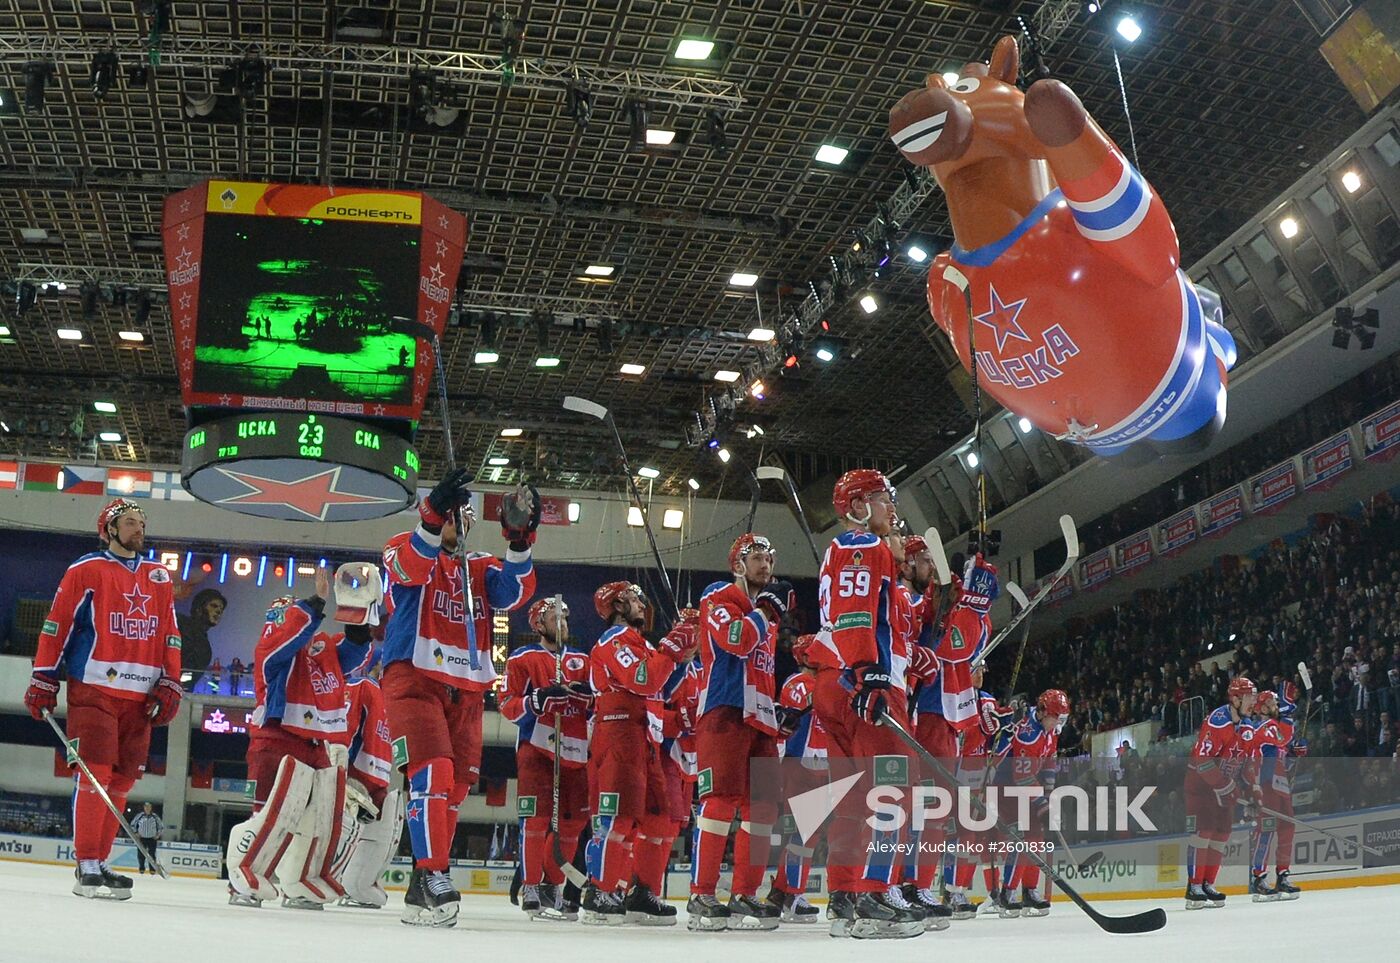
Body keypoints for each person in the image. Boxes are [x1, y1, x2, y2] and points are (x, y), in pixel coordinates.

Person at [380, 471, 540, 927]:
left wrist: (519, 537)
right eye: (447, 515)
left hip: (466, 686)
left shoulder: (481, 566)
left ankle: (419, 884)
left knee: (454, 789)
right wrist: (431, 517)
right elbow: (408, 567)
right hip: (414, 676)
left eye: (458, 516)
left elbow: (514, 593)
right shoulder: (403, 545)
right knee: (433, 773)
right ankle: (434, 873)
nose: (455, 522)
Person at [24, 498, 182, 899]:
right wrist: (44, 677)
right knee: (94, 774)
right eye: (130, 523)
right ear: (109, 529)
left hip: (141, 695)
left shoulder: (159, 576)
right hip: (94, 688)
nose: (138, 530)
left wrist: (170, 682)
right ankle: (86, 862)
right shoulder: (86, 570)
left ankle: (102, 860)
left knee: (124, 781)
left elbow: (170, 634)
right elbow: (57, 625)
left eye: (141, 523)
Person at [808, 469, 924, 939]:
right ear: (857, 507)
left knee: (854, 799)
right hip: (862, 681)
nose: (891, 508)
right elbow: (856, 614)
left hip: (840, 683)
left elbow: (877, 618)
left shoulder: (870, 554)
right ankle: (875, 892)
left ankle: (844, 897)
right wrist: (868, 672)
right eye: (881, 498)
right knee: (893, 788)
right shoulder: (861, 545)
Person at [224, 563, 376, 909]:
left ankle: (299, 880)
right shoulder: (271, 650)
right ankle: (243, 877)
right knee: (269, 814)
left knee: (320, 818)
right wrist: (315, 604)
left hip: (316, 742)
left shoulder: (321, 648)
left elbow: (351, 655)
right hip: (275, 738)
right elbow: (284, 642)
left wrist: (358, 617)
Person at [685, 534, 789, 931]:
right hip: (723, 711)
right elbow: (737, 642)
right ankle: (702, 894)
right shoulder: (718, 597)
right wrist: (763, 612)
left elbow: (761, 665)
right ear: (738, 565)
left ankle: (745, 894)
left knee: (762, 811)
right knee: (719, 802)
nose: (766, 564)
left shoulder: (767, 613)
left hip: (761, 718)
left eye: (769, 556)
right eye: (757, 557)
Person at [581, 581, 695, 925]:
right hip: (618, 732)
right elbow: (643, 678)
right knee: (618, 817)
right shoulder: (613, 640)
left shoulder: (639, 643)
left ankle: (641, 891)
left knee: (659, 820)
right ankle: (599, 890)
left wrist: (686, 648)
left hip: (645, 736)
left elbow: (661, 684)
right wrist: (672, 648)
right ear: (616, 604)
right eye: (632, 598)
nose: (641, 602)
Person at [499, 596, 592, 921]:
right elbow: (507, 703)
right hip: (537, 749)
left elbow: (599, 700)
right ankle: (531, 886)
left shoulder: (583, 660)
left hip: (577, 752)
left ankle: (554, 885)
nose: (562, 624)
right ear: (539, 625)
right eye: (555, 618)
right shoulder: (523, 658)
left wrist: (589, 699)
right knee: (535, 821)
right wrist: (536, 700)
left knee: (572, 826)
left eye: (565, 619)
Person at [1184, 676, 1260, 909]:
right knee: (1203, 831)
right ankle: (1194, 886)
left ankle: (1208, 884)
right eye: (1249, 697)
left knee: (1221, 834)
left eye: (1255, 697)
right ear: (1235, 698)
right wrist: (1224, 786)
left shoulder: (1247, 726)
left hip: (1224, 786)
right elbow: (1203, 761)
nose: (1253, 703)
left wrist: (1253, 789)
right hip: (1201, 785)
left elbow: (1246, 763)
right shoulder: (1218, 721)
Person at [992, 687, 1069, 917]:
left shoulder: (1052, 729)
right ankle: (1007, 893)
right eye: (1056, 718)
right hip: (1008, 788)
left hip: (1027, 785)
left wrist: (1048, 797)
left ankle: (1029, 891)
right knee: (1023, 838)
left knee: (1036, 837)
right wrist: (1042, 805)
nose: (1058, 724)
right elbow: (1021, 776)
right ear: (1044, 712)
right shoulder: (1028, 733)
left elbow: (1049, 762)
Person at [766, 633, 826, 923]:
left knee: (806, 833)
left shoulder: (818, 682)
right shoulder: (798, 683)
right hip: (799, 763)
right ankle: (792, 893)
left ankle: (781, 891)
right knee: (802, 832)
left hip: (816, 764)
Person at [1247, 687, 1304, 901]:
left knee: (1287, 828)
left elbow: (1282, 751)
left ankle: (1283, 875)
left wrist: (1293, 753)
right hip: (1266, 784)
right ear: (1261, 707)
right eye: (1272, 703)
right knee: (1266, 830)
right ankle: (1259, 877)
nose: (1275, 706)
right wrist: (1288, 717)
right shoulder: (1262, 726)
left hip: (1280, 785)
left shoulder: (1273, 726)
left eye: (1276, 703)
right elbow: (1279, 741)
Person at [176, 588, 226, 682]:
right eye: (214, 606)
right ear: (198, 609)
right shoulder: (178, 623)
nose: (219, 611)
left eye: (221, 609)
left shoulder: (205, 646)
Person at [131, 803, 162, 875]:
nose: (147, 808)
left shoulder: (155, 817)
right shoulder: (140, 816)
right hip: (141, 838)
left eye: (149, 807)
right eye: (146, 807)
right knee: (141, 854)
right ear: (144, 808)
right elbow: (132, 824)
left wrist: (158, 834)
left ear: (151, 808)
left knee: (152, 854)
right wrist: (136, 833)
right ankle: (141, 868)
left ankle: (152, 869)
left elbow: (161, 826)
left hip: (152, 838)